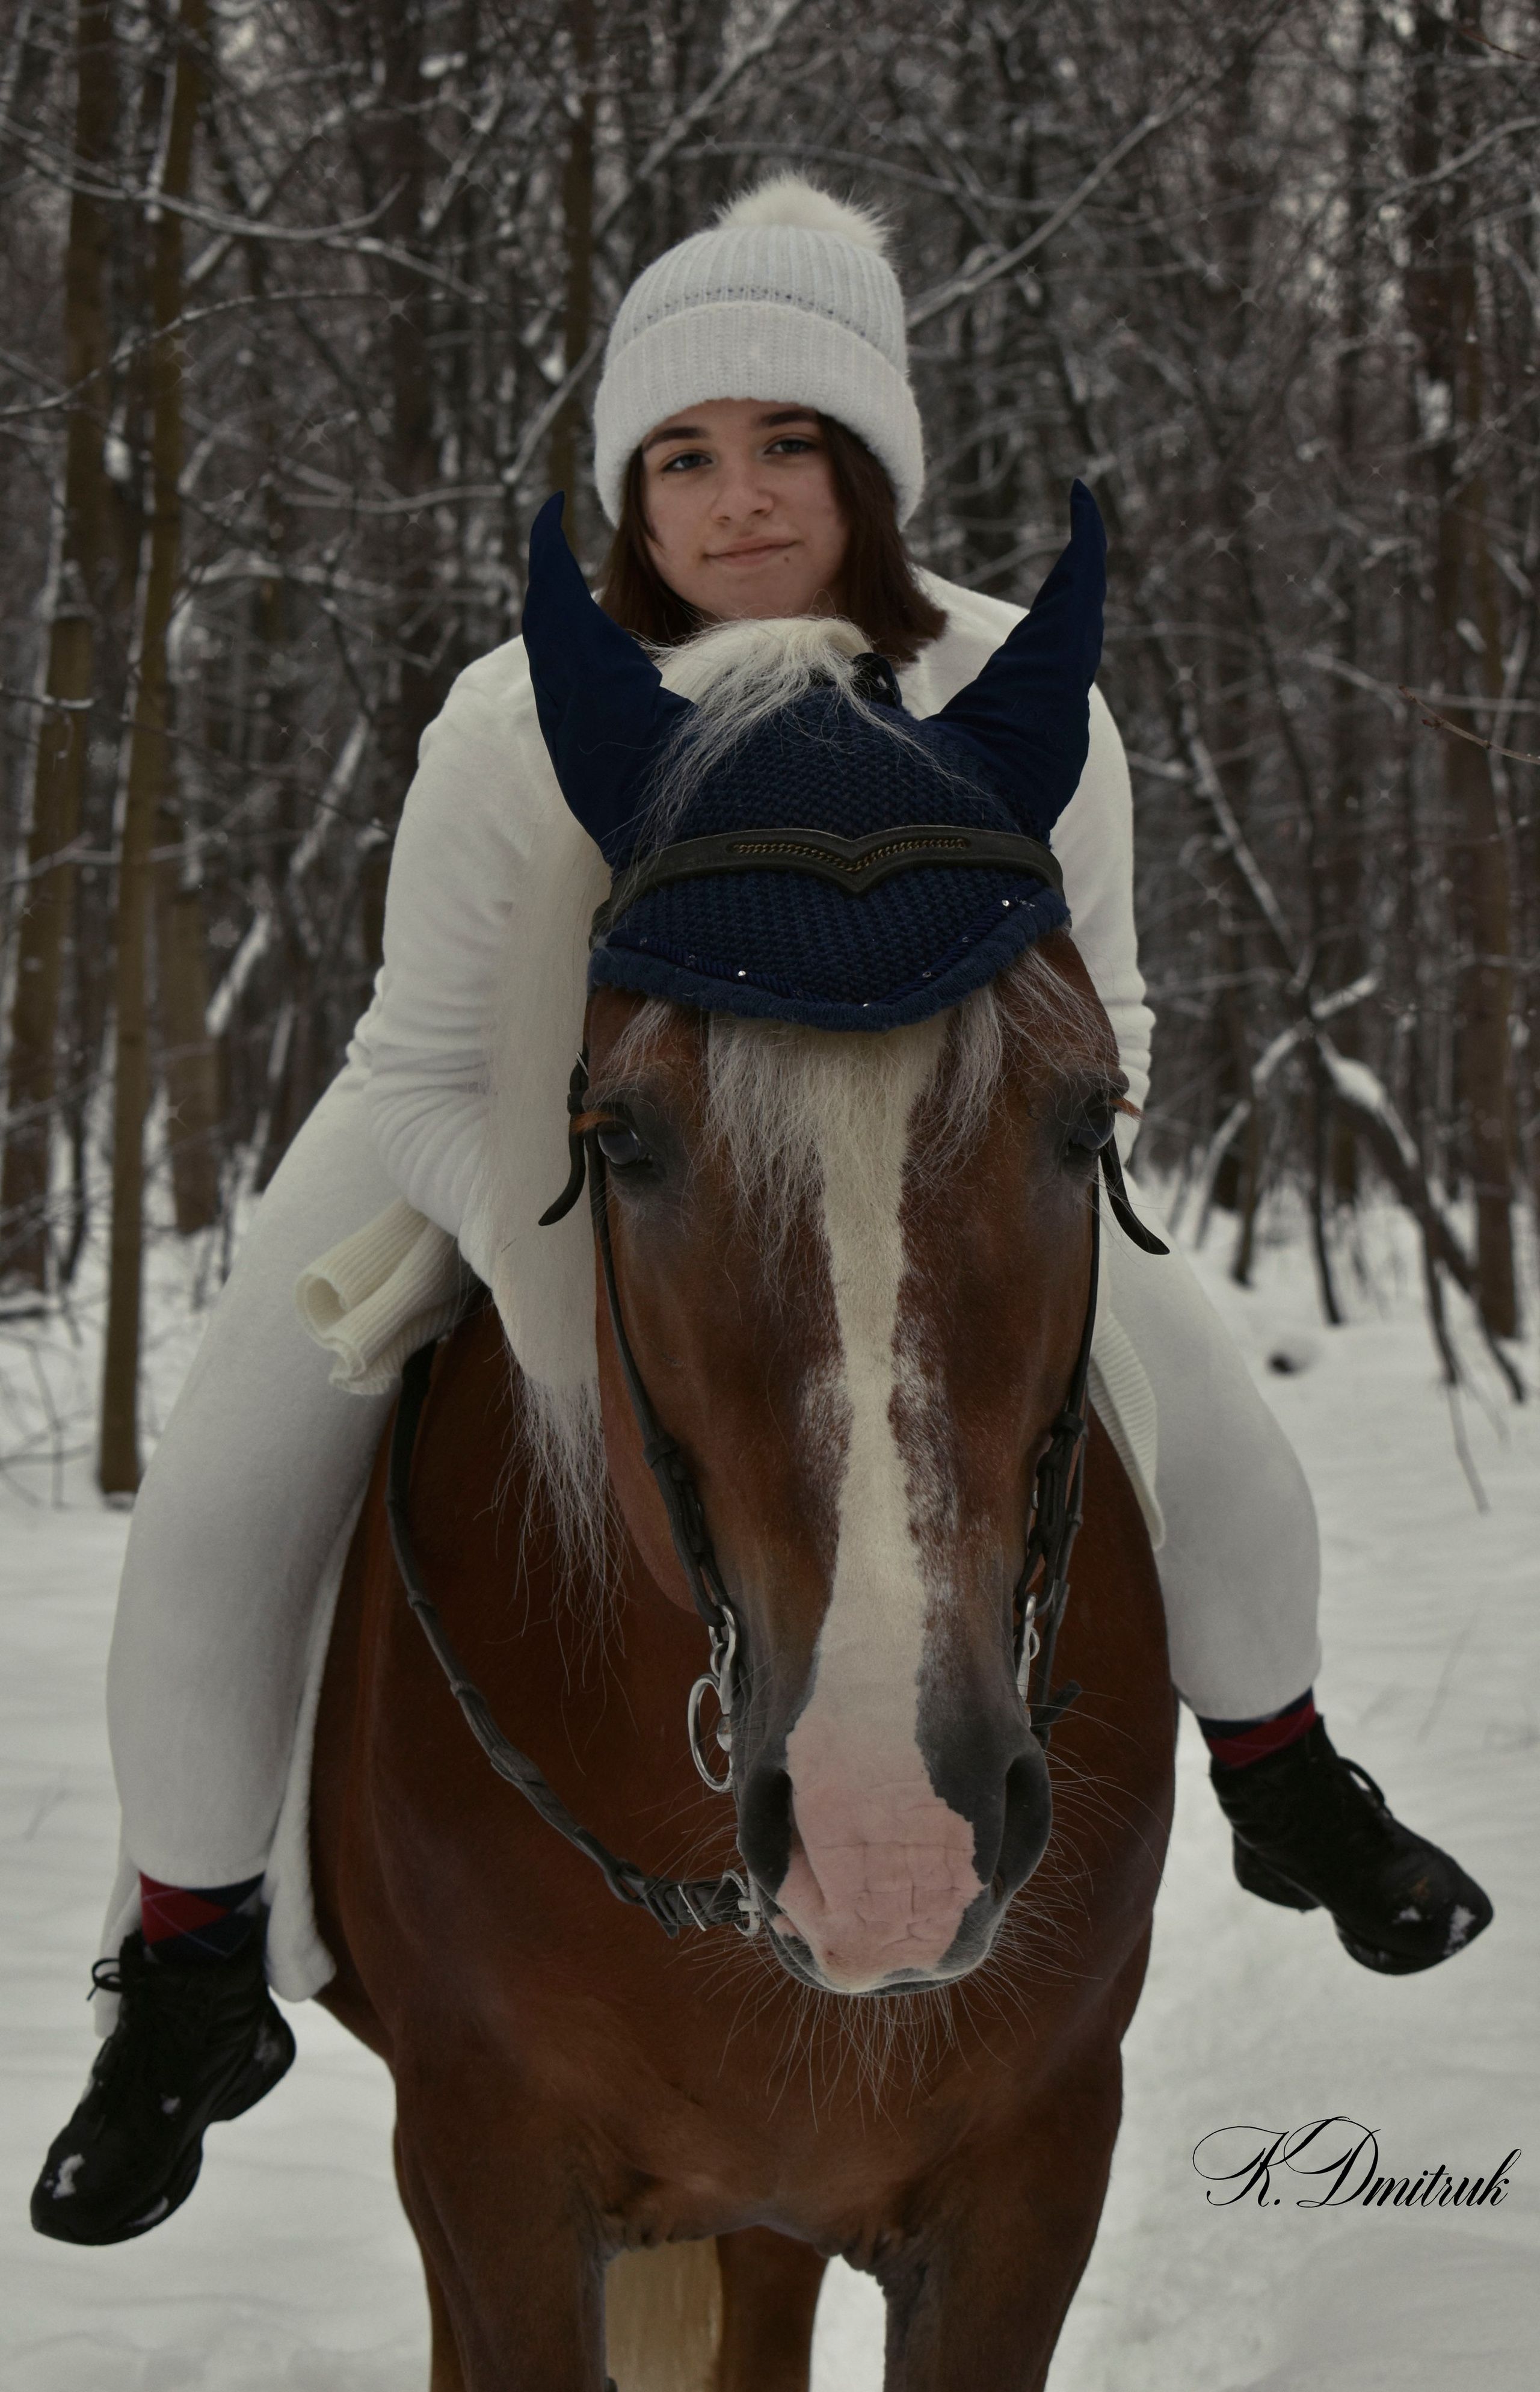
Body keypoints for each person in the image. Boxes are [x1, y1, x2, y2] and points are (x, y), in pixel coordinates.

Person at [32, 176, 1490, 2249]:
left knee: (1231, 1455)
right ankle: (182, 1969)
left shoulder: (1012, 693)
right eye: (682, 455)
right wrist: (567, 1296)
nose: (733, 495)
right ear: (634, 488)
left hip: (947, 1165)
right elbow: (443, 1056)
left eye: (787, 442)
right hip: (513, 1132)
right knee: (219, 1502)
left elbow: (1117, 1001)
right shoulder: (511, 717)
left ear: (873, 466)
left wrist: (1026, 1178)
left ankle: (1286, 1775)